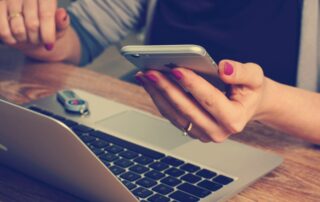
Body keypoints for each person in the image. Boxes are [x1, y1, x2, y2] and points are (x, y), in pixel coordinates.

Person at [0, 0, 319, 143]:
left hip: (285, 162)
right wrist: (36, 30)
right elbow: (81, 35)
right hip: (157, 136)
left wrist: (268, 101)